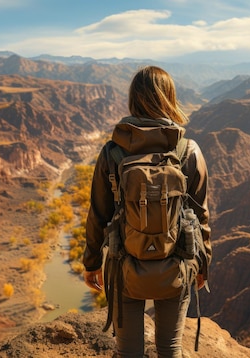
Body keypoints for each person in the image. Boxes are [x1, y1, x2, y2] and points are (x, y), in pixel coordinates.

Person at [83, 65, 211, 357]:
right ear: (169, 98)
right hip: (177, 263)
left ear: (133, 100)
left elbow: (98, 213)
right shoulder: (189, 152)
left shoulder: (112, 153)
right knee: (170, 349)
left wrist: (91, 262)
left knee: (129, 353)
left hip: (122, 264)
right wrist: (203, 266)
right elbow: (201, 216)